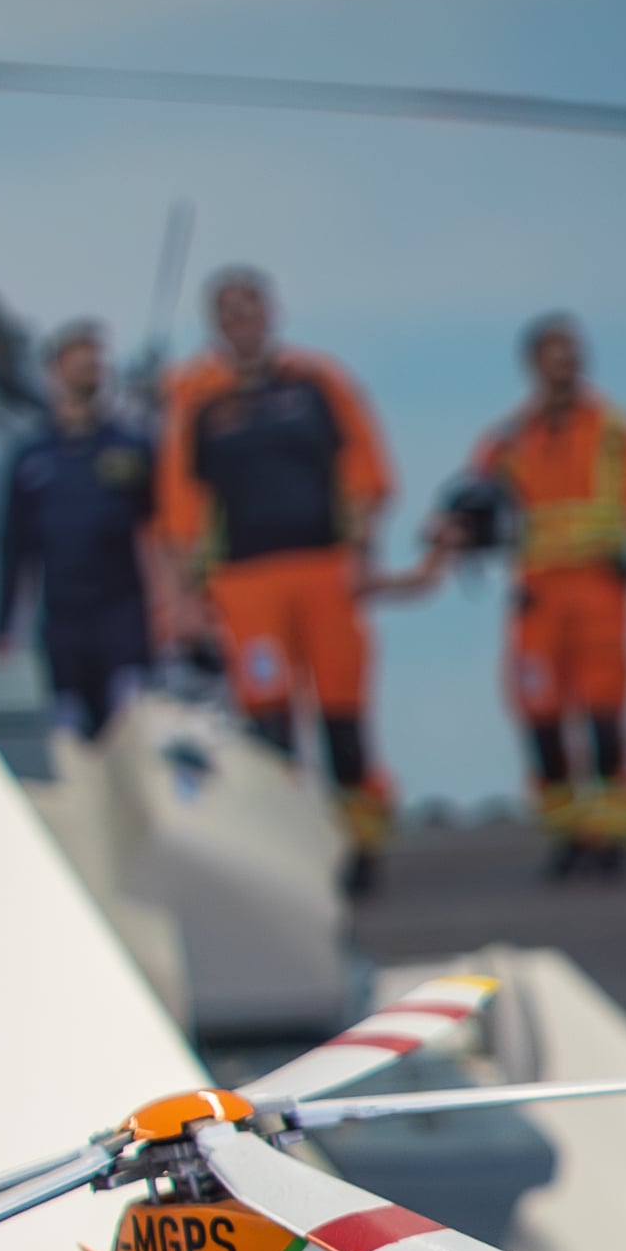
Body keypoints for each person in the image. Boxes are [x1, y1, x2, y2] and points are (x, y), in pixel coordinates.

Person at [155, 266, 399, 892]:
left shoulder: (317, 383)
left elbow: (363, 469)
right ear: (215, 324)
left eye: (251, 308)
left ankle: (359, 839)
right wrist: (187, 590)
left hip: (324, 569)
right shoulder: (198, 399)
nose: (242, 322)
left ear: (271, 313)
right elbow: (182, 502)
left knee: (342, 708)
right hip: (244, 581)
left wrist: (363, 550)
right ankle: (291, 840)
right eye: (228, 312)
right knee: (267, 717)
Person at [464, 313, 626, 881]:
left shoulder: (617, 432)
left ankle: (612, 833)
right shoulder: (507, 439)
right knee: (541, 716)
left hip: (600, 590)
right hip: (536, 599)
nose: (565, 365)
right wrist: (453, 531)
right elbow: (471, 500)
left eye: (572, 353)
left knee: (605, 713)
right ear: (532, 364)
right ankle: (565, 832)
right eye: (553, 354)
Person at [0, 320, 163, 746]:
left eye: (95, 361)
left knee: (127, 723)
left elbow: (161, 530)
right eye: (79, 360)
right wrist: (2, 624)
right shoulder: (32, 457)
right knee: (70, 728)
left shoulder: (129, 447)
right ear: (55, 370)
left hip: (122, 616)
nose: (90, 368)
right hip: (63, 621)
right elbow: (13, 544)